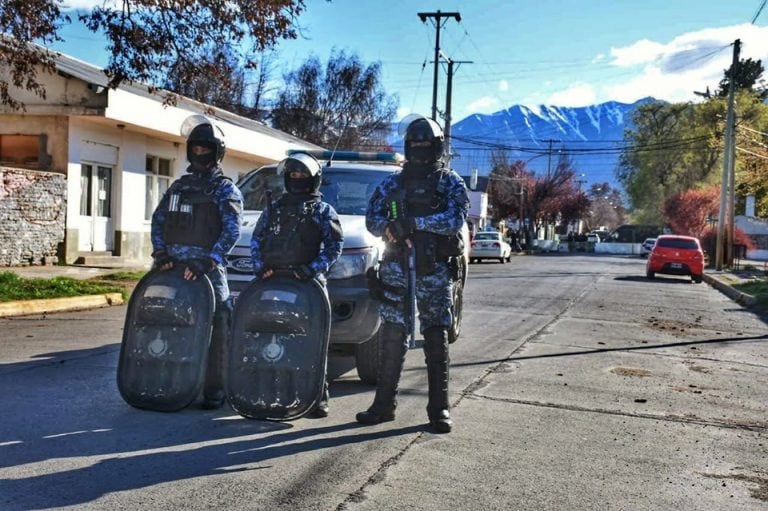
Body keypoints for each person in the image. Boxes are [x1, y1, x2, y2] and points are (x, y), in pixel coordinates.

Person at [356, 115, 469, 433]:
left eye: (426, 145)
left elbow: (454, 220)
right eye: (415, 145)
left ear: (436, 147)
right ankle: (383, 406)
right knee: (393, 336)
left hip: (433, 268)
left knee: (436, 337)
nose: (420, 151)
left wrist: (416, 224)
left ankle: (439, 409)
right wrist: (390, 227)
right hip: (396, 267)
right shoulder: (392, 182)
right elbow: (372, 218)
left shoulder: (449, 181)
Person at [150, 115, 243, 410]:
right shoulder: (178, 187)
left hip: (207, 272)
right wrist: (161, 254)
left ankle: (214, 389)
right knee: (165, 324)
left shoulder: (225, 189)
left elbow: (232, 230)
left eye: (207, 149)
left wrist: (210, 261)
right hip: (172, 271)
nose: (201, 154)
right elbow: (159, 220)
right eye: (197, 148)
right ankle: (166, 382)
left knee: (219, 325)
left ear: (217, 152)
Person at [249, 152, 344, 418]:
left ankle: (316, 397)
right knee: (272, 336)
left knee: (312, 341)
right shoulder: (274, 208)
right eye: (293, 175)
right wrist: (261, 267)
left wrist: (311, 270)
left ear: (313, 179)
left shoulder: (324, 211)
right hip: (273, 283)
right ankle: (270, 393)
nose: (298, 179)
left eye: (303, 175)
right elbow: (257, 240)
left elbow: (334, 247)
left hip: (308, 285)